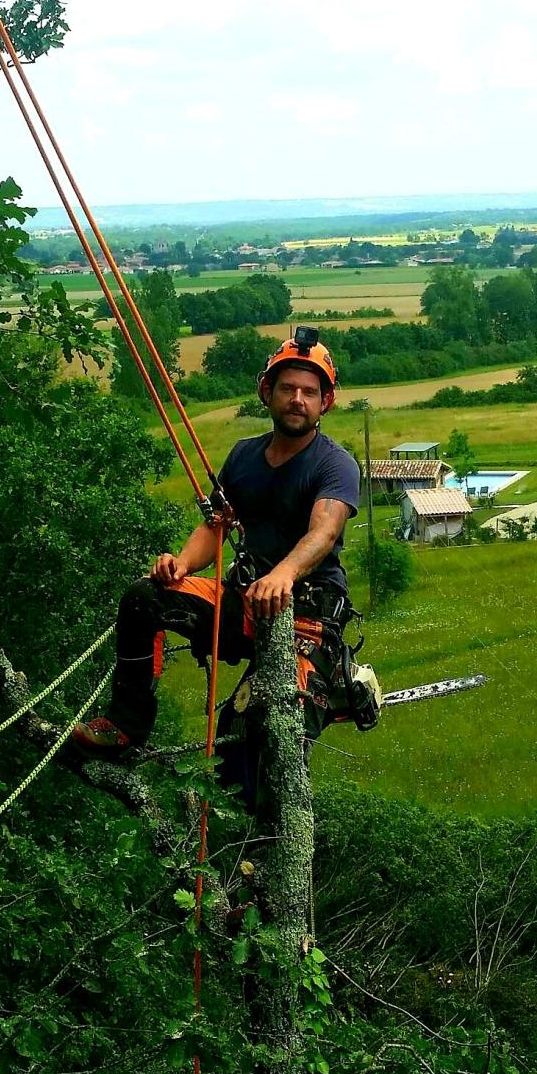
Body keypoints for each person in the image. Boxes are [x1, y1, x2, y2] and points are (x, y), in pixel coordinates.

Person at [72, 330, 360, 801]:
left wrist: (283, 574)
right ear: (267, 392)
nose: (298, 400)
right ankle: (124, 725)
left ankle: (267, 836)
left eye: (310, 392)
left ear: (325, 402)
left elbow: (323, 532)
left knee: (251, 735)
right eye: (288, 388)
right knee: (145, 597)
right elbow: (217, 526)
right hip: (245, 604)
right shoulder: (244, 456)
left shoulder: (335, 464)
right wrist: (181, 563)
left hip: (306, 619)